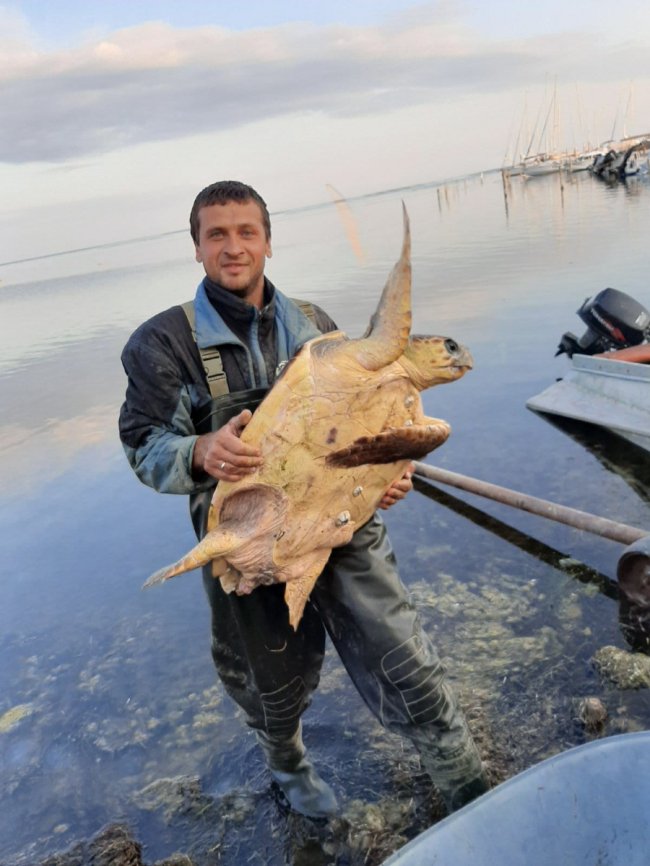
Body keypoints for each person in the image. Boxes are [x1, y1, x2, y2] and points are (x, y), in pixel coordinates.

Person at [119, 180, 489, 820]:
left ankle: (464, 778)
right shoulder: (163, 344)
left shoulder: (316, 324)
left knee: (404, 652)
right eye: (217, 235)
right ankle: (288, 763)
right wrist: (200, 451)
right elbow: (143, 444)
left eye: (246, 232)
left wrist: (390, 475)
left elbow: (370, 430)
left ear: (267, 240)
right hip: (253, 530)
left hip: (343, 521)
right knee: (271, 673)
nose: (233, 247)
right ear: (197, 247)